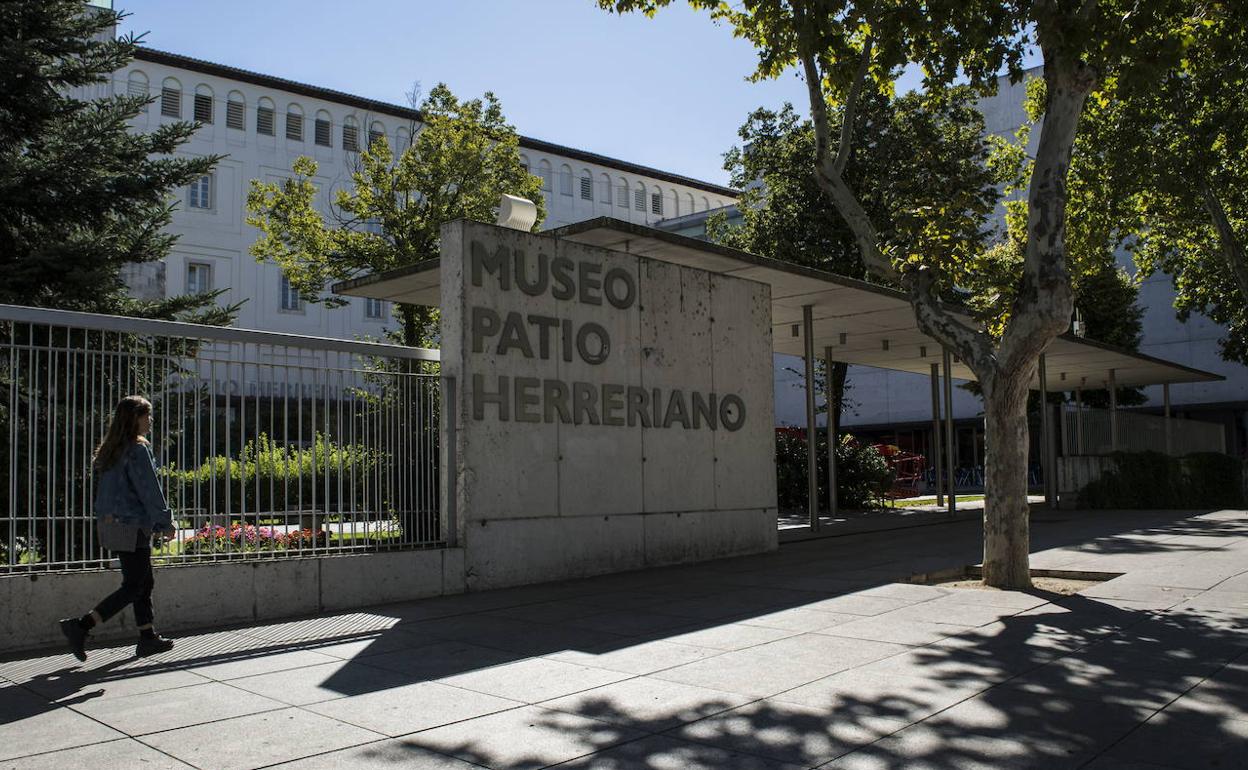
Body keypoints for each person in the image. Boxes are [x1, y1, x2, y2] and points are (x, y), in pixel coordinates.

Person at [60, 395, 176, 661]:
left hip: (113, 524)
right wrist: (165, 522)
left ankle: (147, 637)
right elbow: (149, 490)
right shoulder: (137, 450)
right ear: (134, 418)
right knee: (134, 586)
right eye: (146, 415)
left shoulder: (112, 449)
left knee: (143, 581)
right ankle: (81, 626)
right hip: (132, 525)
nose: (150, 421)